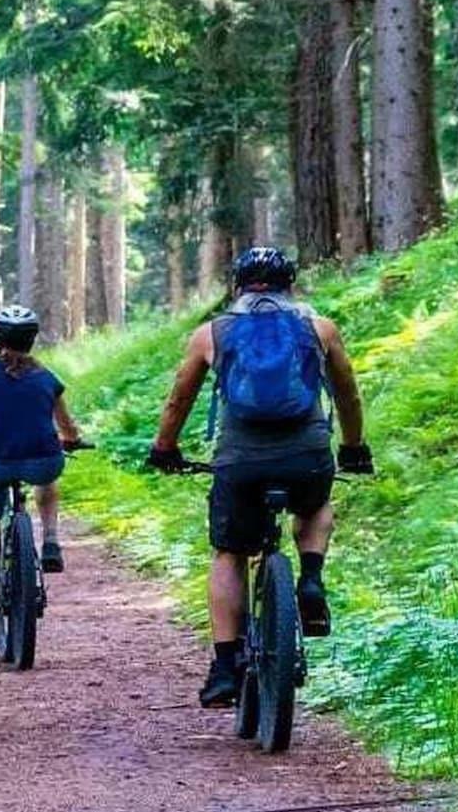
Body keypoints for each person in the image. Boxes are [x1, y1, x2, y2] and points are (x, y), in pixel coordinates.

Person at [146, 247, 373, 708]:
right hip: (306, 454)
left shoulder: (211, 333)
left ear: (237, 286)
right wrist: (353, 447)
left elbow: (179, 400)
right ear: (292, 284)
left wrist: (164, 447)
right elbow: (347, 393)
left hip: (241, 462)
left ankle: (225, 666)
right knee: (315, 506)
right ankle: (311, 578)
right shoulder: (320, 328)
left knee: (229, 552)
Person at [0, 305, 87, 642]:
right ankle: (51, 540)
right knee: (48, 475)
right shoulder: (47, 378)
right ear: (32, 339)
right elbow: (66, 424)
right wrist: (73, 439)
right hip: (42, 461)